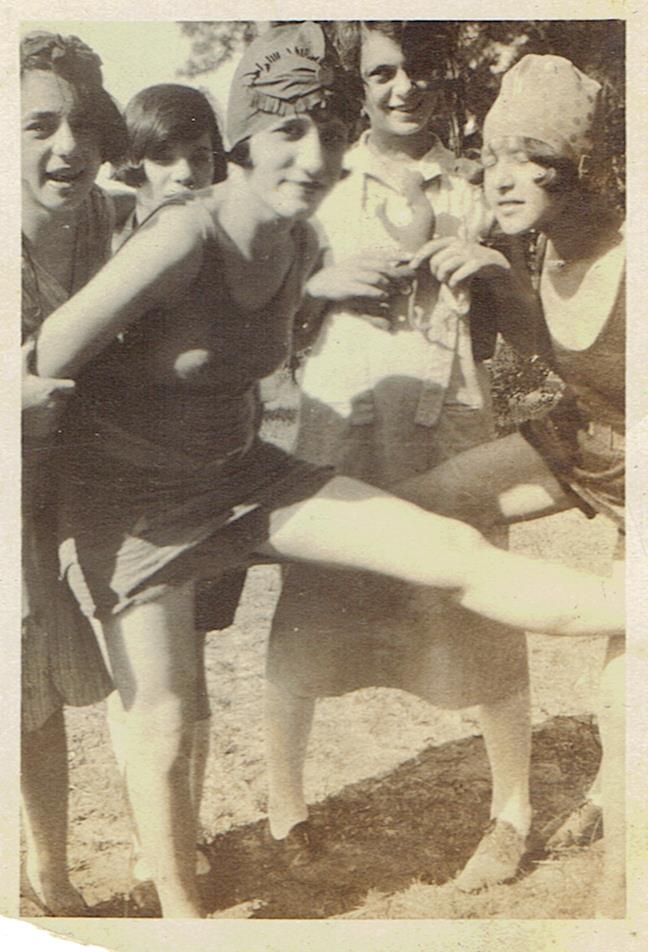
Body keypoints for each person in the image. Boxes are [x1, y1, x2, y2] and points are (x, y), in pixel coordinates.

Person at [33, 25, 622, 918]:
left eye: (328, 133)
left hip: (244, 473)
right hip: (134, 507)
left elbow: (261, 344)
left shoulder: (301, 245)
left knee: (448, 546)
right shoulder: (179, 235)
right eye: (287, 134)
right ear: (241, 142)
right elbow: (47, 357)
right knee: (163, 721)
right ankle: (185, 928)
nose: (313, 157)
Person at [265, 20, 532, 892]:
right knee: (313, 601)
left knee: (484, 598)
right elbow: (251, 303)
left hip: (447, 413)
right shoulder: (319, 180)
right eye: (383, 72)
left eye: (418, 68)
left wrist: (490, 266)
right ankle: (284, 807)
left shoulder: (479, 181)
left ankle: (513, 812)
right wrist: (316, 286)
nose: (403, 88)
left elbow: (523, 322)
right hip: (345, 413)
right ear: (359, 83)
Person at [397, 54, 625, 915]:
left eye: (529, 156)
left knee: (621, 690)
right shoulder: (525, 250)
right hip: (576, 451)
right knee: (418, 506)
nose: (503, 178)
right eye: (492, 158)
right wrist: (493, 297)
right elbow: (540, 396)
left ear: (580, 164)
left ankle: (615, 892)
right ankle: (513, 780)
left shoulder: (629, 254)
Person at [107, 81, 230, 901]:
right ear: (136, 167)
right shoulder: (126, 247)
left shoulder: (225, 243)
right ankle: (158, 847)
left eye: (200, 156)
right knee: (150, 687)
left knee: (196, 673)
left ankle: (188, 827)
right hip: (135, 487)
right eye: (165, 158)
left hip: (212, 473)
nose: (185, 172)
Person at [20, 31, 126, 914]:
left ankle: (48, 875)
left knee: (40, 692)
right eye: (38, 125)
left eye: (84, 125)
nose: (68, 148)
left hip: (58, 490)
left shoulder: (110, 218)